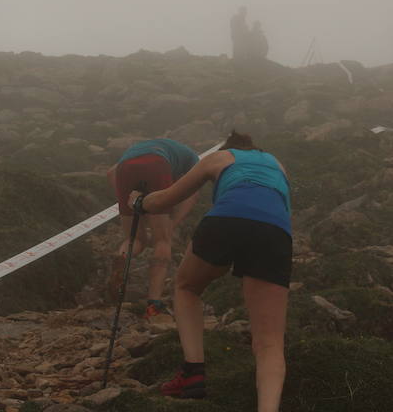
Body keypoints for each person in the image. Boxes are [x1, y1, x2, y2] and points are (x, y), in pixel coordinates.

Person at [131, 131, 292, 411]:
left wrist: (139, 201)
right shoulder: (277, 164)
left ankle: (192, 374)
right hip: (275, 230)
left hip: (226, 218)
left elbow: (166, 199)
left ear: (228, 147)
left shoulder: (219, 157)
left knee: (186, 287)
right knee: (269, 343)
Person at [107, 138, 201, 317]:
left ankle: (121, 257)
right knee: (162, 241)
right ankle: (153, 304)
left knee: (134, 239)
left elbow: (111, 173)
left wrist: (131, 201)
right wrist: (172, 224)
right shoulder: (192, 161)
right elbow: (193, 195)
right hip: (158, 165)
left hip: (125, 169)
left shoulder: (146, 147)